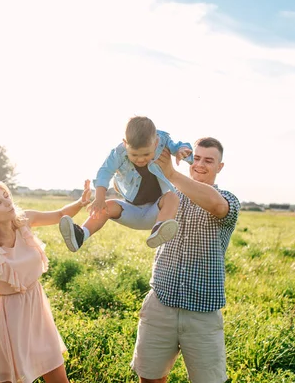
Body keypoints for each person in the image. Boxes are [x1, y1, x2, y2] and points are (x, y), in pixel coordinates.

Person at [0, 179, 91, 383]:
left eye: (6, 196)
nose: (8, 202)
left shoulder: (24, 220)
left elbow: (59, 215)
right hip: (9, 323)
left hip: (38, 313)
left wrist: (80, 202)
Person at [130, 137, 240, 383]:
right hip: (161, 302)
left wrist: (171, 172)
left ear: (219, 167)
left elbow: (216, 206)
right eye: (196, 158)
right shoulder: (169, 196)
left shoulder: (228, 200)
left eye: (208, 160)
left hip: (202, 313)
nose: (200, 164)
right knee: (149, 377)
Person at [59, 116, 192, 252]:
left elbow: (181, 146)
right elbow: (105, 172)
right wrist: (99, 198)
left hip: (156, 211)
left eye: (146, 154)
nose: (140, 159)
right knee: (108, 205)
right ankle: (80, 235)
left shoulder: (163, 140)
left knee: (173, 197)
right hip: (131, 211)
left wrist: (184, 152)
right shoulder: (118, 153)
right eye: (134, 155)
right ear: (125, 144)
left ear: (156, 143)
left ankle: (159, 230)